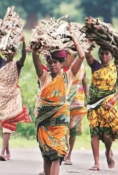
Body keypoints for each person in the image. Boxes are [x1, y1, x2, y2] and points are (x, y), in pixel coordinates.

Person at [33, 32, 85, 175]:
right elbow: (35, 61)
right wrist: (36, 49)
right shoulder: (44, 77)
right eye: (50, 62)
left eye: (55, 62)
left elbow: (81, 57)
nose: (52, 65)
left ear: (62, 64)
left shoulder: (68, 76)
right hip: (44, 121)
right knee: (46, 155)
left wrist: (74, 40)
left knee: (57, 154)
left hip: (61, 122)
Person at [86, 47, 118, 171]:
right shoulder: (96, 66)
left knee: (107, 135)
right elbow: (87, 55)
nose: (104, 56)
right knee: (94, 133)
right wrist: (89, 43)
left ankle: (108, 152)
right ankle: (96, 163)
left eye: (107, 53)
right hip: (93, 106)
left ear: (112, 55)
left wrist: (112, 101)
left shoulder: (117, 71)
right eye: (102, 53)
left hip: (107, 106)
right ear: (98, 55)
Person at [0, 34, 32, 161]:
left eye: (10, 51)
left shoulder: (17, 64)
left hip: (12, 96)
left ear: (14, 52)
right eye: (6, 51)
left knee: (8, 123)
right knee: (4, 123)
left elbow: (24, 56)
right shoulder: (1, 62)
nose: (7, 53)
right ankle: (8, 151)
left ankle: (2, 151)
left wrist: (24, 42)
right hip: (1, 97)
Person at [64, 55, 88, 165]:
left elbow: (85, 82)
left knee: (73, 128)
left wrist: (88, 96)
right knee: (63, 126)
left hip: (78, 99)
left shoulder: (82, 64)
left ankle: (69, 155)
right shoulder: (66, 62)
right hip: (65, 96)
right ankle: (62, 151)